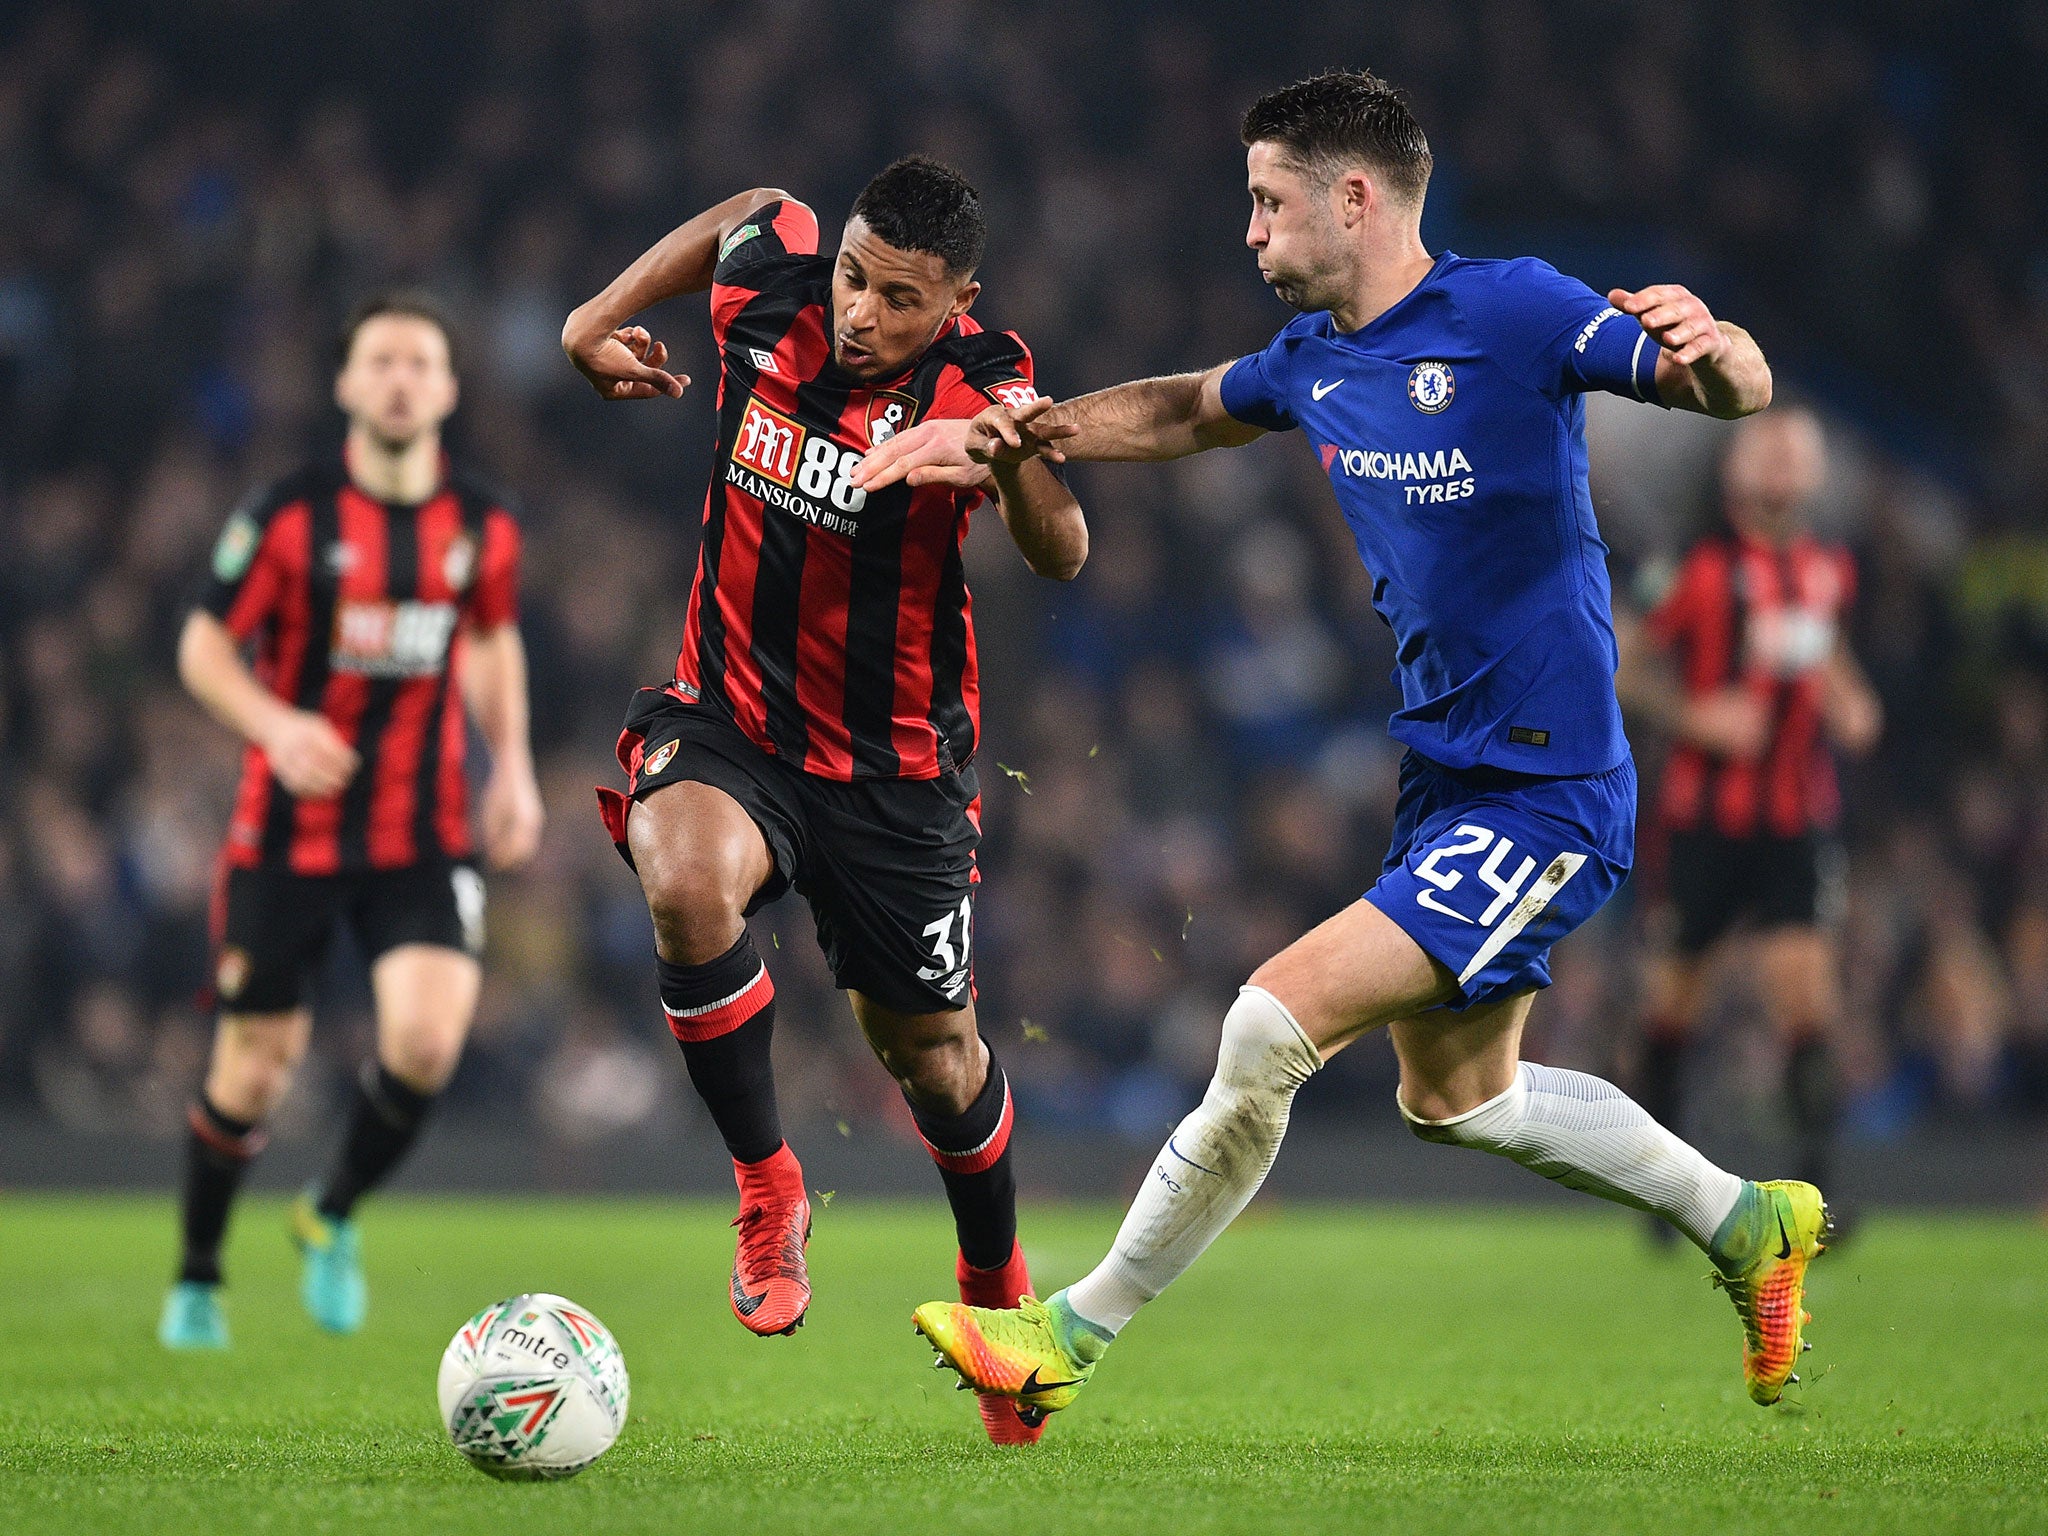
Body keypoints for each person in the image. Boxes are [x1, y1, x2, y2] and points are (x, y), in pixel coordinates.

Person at [860, 70, 1821, 1421]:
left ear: (1352, 199)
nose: (1248, 232)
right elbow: (1190, 408)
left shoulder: (1512, 308)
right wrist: (1031, 428)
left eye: (1267, 203)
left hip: (1549, 788)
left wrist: (1719, 347)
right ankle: (1745, 1221)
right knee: (1461, 1100)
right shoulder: (1314, 359)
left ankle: (1066, 1336)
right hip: (1448, 780)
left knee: (1266, 1023)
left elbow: (1728, 392)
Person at [560, 156, 1086, 1445]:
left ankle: (1001, 1309)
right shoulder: (775, 286)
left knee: (933, 1060)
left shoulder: (982, 378)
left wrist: (1002, 461)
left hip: (892, 774)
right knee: (681, 880)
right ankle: (766, 1184)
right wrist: (589, 322)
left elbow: (1064, 550)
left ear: (957, 300)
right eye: (855, 277)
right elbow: (742, 210)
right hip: (727, 722)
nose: (860, 313)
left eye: (900, 299)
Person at [160, 293, 544, 1349]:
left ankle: (327, 1214)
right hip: (286, 835)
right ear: (343, 384)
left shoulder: (483, 523)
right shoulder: (287, 514)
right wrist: (275, 725)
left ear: (449, 390)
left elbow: (491, 640)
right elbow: (201, 645)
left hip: (419, 832)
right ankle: (198, 1277)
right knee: (253, 1071)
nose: (400, 379)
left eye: (421, 361)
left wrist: (510, 767)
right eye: (380, 360)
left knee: (424, 1040)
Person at [1620, 407, 1881, 1240]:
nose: (1781, 465)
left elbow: (1822, 649)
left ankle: (1816, 1201)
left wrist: (1850, 698)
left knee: (1809, 1004)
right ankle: (1661, 1200)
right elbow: (1623, 661)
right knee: (1673, 1011)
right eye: (1766, 448)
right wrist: (1698, 717)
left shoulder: (1827, 566)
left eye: (1795, 452)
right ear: (1735, 466)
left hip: (1797, 821)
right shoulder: (1693, 563)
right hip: (1701, 821)